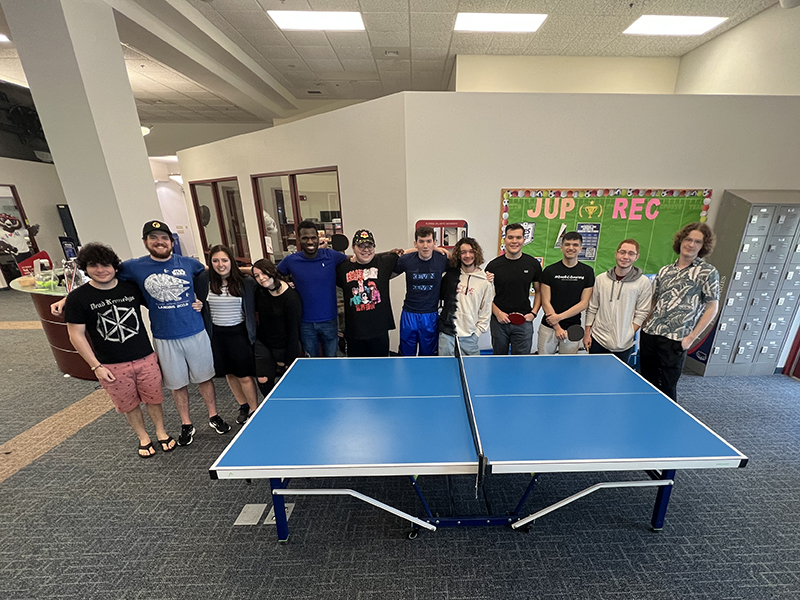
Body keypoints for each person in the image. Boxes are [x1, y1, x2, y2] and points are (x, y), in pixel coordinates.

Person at [54, 221, 231, 446]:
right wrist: (67, 298)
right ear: (145, 242)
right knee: (177, 384)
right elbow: (100, 279)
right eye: (153, 238)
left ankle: (213, 416)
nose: (159, 242)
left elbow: (214, 274)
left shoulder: (189, 264)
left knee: (205, 378)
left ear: (172, 241)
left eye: (164, 238)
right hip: (164, 337)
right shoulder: (133, 267)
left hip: (195, 331)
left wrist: (200, 300)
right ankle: (186, 423)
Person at [63, 243, 176, 458]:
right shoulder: (78, 298)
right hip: (111, 364)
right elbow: (75, 335)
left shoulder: (130, 287)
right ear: (85, 268)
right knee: (128, 404)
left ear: (115, 266)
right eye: (93, 265)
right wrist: (95, 366)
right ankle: (143, 436)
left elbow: (158, 299)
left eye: (105, 264)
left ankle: (161, 431)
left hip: (145, 356)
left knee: (154, 398)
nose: (100, 270)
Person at [641, 223, 720, 402]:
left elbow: (712, 307)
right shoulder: (665, 270)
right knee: (646, 382)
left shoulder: (707, 272)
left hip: (676, 339)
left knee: (667, 386)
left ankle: (666, 423)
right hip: (651, 335)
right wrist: (645, 323)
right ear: (681, 241)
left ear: (703, 246)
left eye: (697, 242)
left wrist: (691, 338)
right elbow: (655, 300)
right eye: (688, 239)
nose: (691, 244)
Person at [196, 245, 258, 425]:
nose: (220, 264)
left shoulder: (246, 282)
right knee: (229, 374)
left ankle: (255, 409)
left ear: (231, 261)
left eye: (224, 260)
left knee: (244, 375)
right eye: (215, 261)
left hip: (239, 332)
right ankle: (243, 405)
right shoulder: (203, 280)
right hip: (217, 335)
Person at [277, 219, 347, 357]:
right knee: (311, 363)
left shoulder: (331, 256)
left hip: (330, 320)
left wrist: (389, 254)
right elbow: (273, 275)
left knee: (332, 361)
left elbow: (355, 260)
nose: (310, 242)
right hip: (305, 322)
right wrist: (286, 285)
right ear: (299, 239)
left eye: (313, 237)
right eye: (305, 238)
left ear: (318, 238)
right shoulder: (291, 260)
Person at [583, 239, 652, 364]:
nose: (626, 256)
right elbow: (593, 307)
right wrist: (587, 333)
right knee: (593, 375)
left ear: (637, 257)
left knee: (616, 380)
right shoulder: (601, 279)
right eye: (622, 252)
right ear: (616, 254)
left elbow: (642, 311)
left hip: (623, 344)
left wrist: (629, 332)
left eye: (631, 253)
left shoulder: (643, 282)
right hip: (598, 340)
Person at [336, 229, 400, 357]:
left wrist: (438, 249)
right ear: (353, 248)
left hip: (379, 331)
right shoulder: (342, 268)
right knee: (357, 371)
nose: (366, 249)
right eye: (361, 246)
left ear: (374, 247)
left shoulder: (384, 262)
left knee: (381, 369)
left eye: (369, 246)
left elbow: (406, 253)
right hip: (354, 333)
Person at [485, 223, 542, 355]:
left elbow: (539, 292)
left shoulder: (533, 264)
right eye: (511, 237)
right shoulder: (494, 266)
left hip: (524, 321)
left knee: (521, 362)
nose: (514, 241)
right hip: (499, 321)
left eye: (518, 237)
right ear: (505, 239)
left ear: (524, 239)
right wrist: (498, 313)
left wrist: (533, 314)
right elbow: (485, 296)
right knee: (499, 360)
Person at [394, 226, 449, 356]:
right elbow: (387, 274)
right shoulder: (406, 260)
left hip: (430, 315)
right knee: (406, 355)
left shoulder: (442, 260)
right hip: (409, 314)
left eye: (429, 241)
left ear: (435, 242)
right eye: (421, 241)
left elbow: (462, 264)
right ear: (415, 243)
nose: (425, 245)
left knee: (429, 356)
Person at [251, 258, 302, 397]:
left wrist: (288, 359)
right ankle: (271, 403)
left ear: (272, 271)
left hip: (284, 345)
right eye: (256, 275)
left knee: (289, 383)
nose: (261, 278)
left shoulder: (291, 298)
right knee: (263, 379)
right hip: (263, 342)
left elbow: (294, 331)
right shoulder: (259, 291)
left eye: (263, 273)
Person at [539, 231, 595, 355]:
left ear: (580, 248)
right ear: (562, 247)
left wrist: (559, 318)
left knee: (567, 367)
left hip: (573, 329)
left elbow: (584, 303)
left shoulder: (588, 272)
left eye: (575, 245)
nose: (571, 248)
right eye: (567, 244)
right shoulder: (549, 271)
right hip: (548, 327)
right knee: (542, 365)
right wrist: (557, 327)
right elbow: (545, 301)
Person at [438, 237, 494, 356]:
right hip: (447, 335)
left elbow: (486, 311)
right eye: (463, 252)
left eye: (471, 251)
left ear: (476, 253)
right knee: (444, 371)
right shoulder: (450, 276)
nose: (467, 255)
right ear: (458, 255)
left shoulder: (485, 281)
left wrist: (477, 333)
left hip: (469, 337)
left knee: (472, 372)